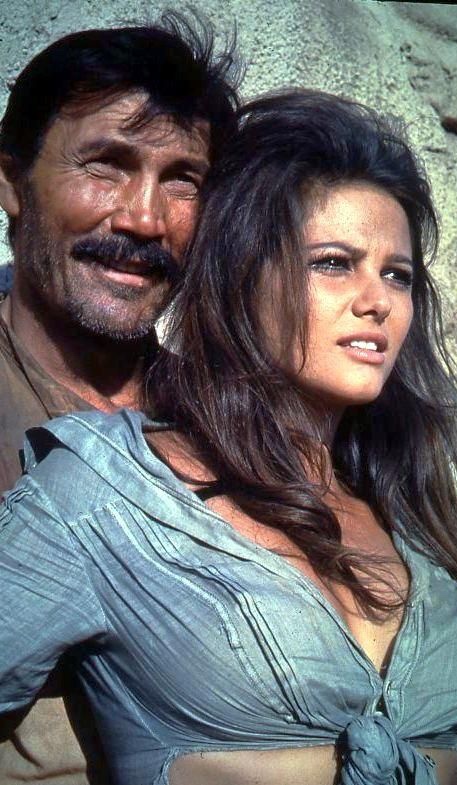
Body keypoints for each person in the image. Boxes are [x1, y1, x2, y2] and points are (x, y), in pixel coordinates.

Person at [0, 90, 457, 785]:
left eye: (398, 274)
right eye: (334, 262)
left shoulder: (408, 504)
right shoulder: (102, 495)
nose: (377, 300)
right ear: (242, 277)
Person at [0, 13, 239, 785]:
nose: (143, 218)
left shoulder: (227, 424)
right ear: (10, 182)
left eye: (183, 180)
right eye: (105, 165)